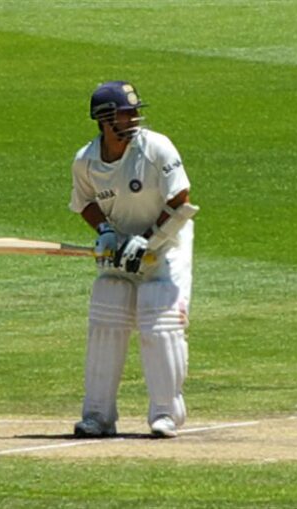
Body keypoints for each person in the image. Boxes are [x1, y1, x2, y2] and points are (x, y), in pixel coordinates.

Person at [69, 81, 197, 438]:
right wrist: (107, 233)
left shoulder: (156, 147)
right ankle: (97, 414)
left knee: (159, 319)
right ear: (106, 120)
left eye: (134, 110)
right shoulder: (86, 161)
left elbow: (181, 199)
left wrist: (149, 241)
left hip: (167, 244)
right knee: (107, 309)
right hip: (121, 246)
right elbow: (86, 203)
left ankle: (166, 413)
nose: (134, 117)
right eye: (126, 112)